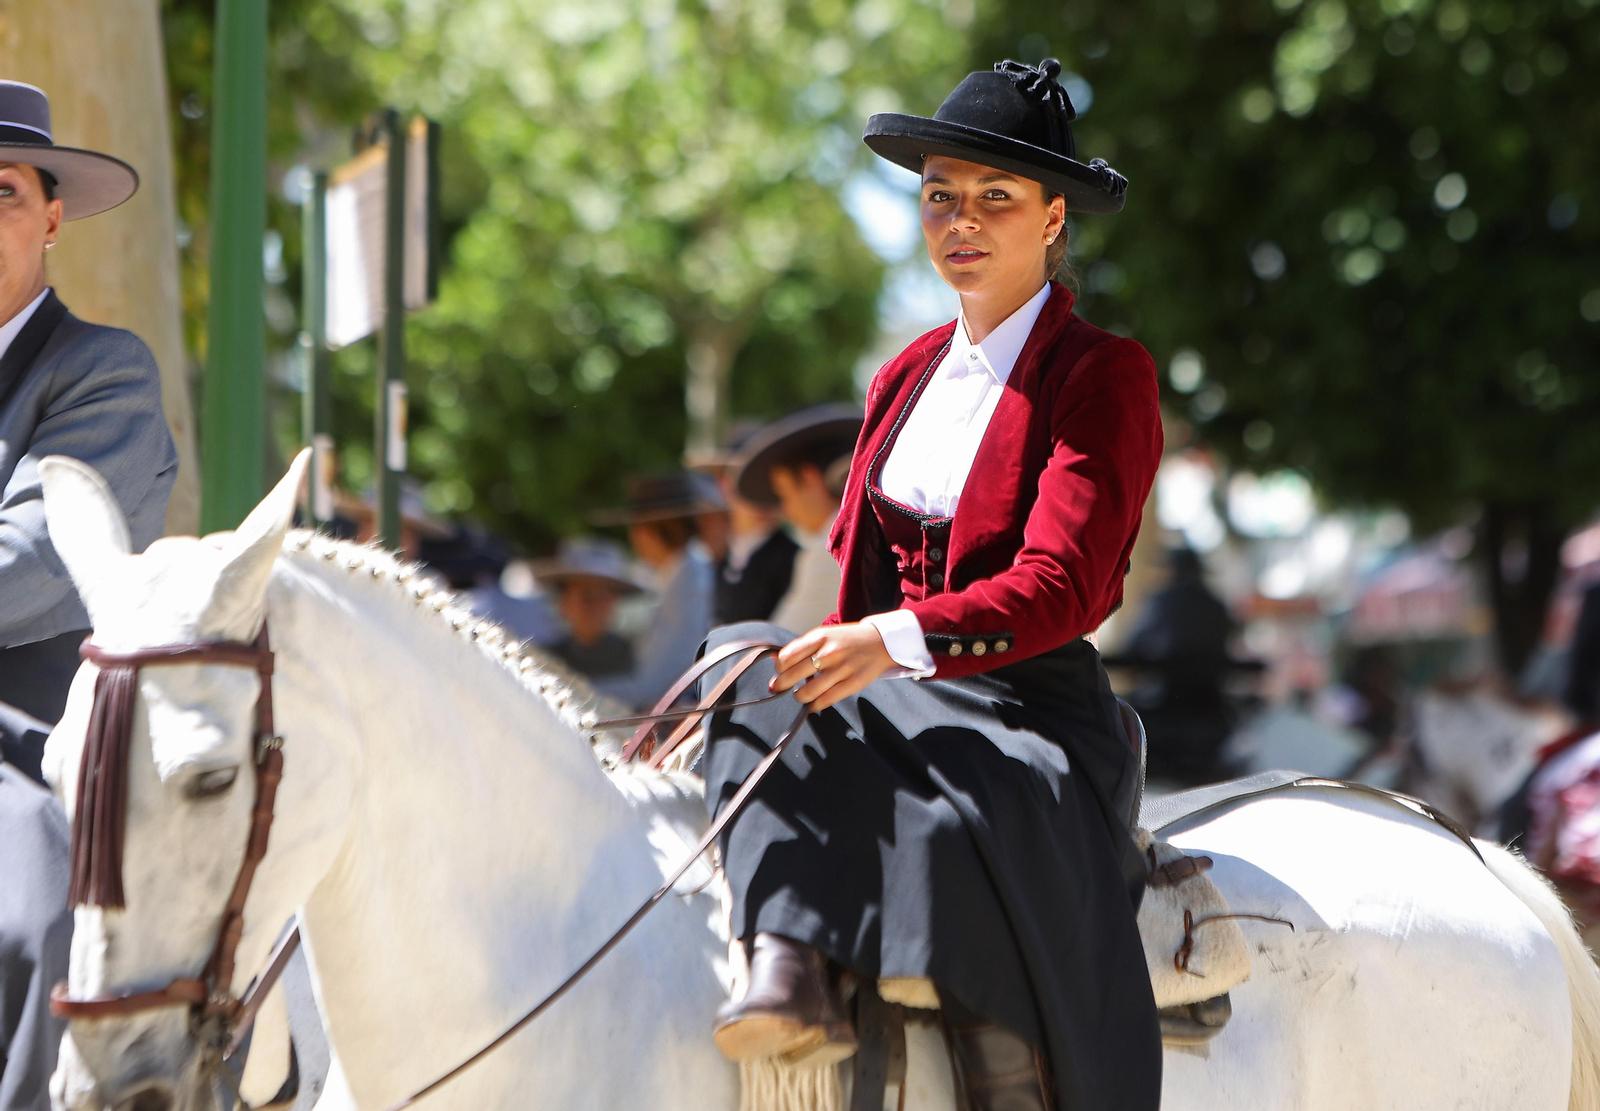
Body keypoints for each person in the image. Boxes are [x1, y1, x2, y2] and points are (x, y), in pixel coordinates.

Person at [698, 60, 1161, 1111]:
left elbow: (1065, 587)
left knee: (943, 831)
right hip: (887, 682)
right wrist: (827, 656)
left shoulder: (1100, 374)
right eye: (940, 195)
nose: (962, 220)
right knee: (739, 663)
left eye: (996, 198)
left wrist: (891, 641)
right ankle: (788, 963)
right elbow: (857, 580)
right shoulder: (902, 373)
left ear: (1052, 220)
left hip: (1026, 709)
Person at [0, 82, 176, 1111]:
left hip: (26, 749)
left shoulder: (102, 372)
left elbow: (33, 561)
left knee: (33, 923)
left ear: (53, 217)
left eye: (3, 192)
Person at [589, 472, 721, 709]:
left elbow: (653, 685)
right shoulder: (684, 577)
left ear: (645, 532)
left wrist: (584, 689)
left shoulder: (689, 584)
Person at [1111, 546, 1240, 785]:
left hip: (1161, 710)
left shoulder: (1158, 602)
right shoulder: (1217, 607)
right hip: (1210, 711)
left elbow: (1132, 650)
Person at [733, 404, 861, 634]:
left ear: (810, 479)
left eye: (785, 494)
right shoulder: (869, 535)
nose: (785, 510)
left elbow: (780, 643)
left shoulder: (833, 553)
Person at [694, 421, 800, 626]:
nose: (762, 496)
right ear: (724, 485)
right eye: (750, 484)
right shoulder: (718, 560)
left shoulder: (794, 560)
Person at [533, 538, 641, 679]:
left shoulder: (635, 659)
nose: (594, 607)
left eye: (603, 597)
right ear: (563, 603)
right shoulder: (544, 660)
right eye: (586, 596)